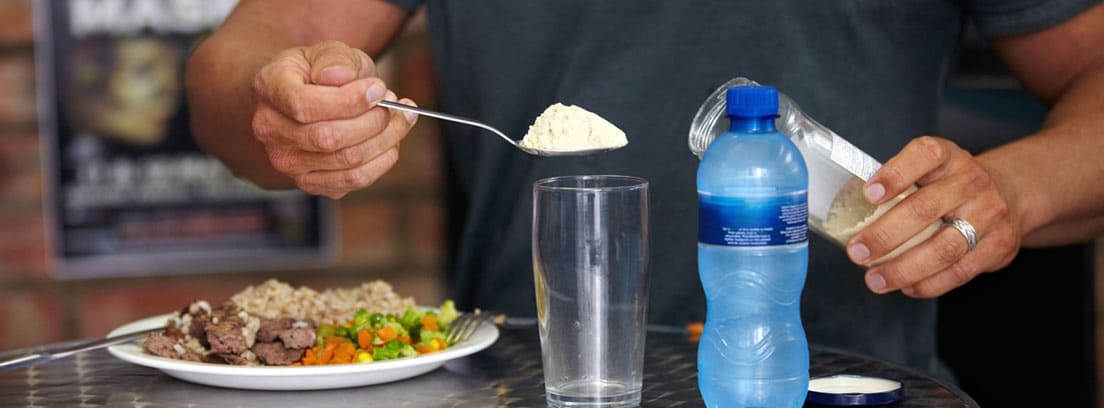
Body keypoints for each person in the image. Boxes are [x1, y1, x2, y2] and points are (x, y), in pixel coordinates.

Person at [185, 0, 1104, 381]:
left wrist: (1012, 190)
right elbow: (245, 52)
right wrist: (283, 103)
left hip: (843, 385)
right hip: (536, 384)